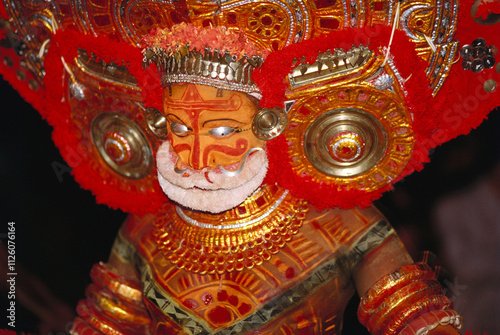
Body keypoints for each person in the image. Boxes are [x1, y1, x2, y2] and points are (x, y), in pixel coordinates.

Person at [0, 0, 498, 334]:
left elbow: (416, 318)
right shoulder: (147, 229)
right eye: (178, 129)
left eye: (219, 131)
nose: (195, 157)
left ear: (268, 126)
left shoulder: (343, 227)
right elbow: (105, 323)